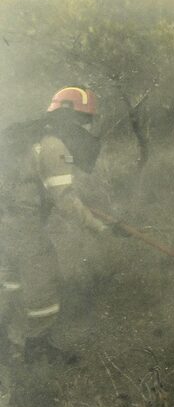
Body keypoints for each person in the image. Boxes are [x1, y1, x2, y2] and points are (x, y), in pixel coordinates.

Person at [0, 86, 115, 365]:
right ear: (72, 117)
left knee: (10, 282)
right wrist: (98, 227)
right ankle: (36, 348)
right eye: (85, 119)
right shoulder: (54, 145)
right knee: (43, 281)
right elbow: (64, 199)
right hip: (24, 226)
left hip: (6, 221)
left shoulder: (30, 137)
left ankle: (7, 345)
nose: (87, 126)